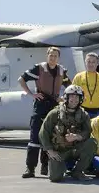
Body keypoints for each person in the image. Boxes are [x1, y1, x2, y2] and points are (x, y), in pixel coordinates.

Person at [19, 47, 71, 178]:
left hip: (54, 106)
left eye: (55, 56)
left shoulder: (61, 70)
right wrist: (31, 94)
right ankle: (30, 168)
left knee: (50, 137)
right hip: (40, 104)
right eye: (51, 55)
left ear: (58, 58)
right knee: (34, 137)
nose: (53, 58)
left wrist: (63, 98)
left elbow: (69, 86)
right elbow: (21, 79)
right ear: (47, 56)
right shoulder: (39, 68)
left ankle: (45, 166)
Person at [39, 85, 97, 182]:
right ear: (66, 97)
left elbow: (87, 132)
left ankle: (77, 172)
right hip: (59, 151)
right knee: (55, 178)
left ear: (80, 99)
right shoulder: (54, 113)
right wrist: (49, 150)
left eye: (77, 97)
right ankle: (61, 167)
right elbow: (43, 132)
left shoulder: (84, 115)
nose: (74, 99)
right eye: (72, 96)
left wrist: (77, 137)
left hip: (75, 149)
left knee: (92, 143)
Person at [72, 52, 99, 119]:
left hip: (97, 112)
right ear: (85, 62)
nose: (91, 64)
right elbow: (72, 94)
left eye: (93, 62)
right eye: (89, 61)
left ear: (97, 63)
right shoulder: (78, 77)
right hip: (82, 111)